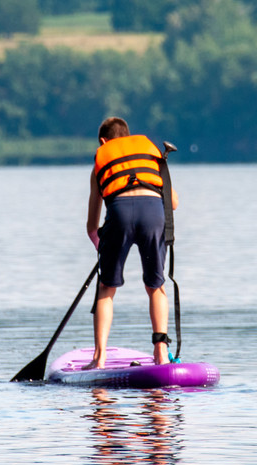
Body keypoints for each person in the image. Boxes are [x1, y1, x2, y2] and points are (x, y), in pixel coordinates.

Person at [85, 117, 178, 369]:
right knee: (156, 286)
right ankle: (161, 353)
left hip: (120, 215)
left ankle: (99, 357)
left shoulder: (101, 161)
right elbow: (174, 203)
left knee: (106, 288)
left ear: (103, 142)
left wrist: (99, 243)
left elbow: (93, 223)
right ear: (127, 136)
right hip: (154, 214)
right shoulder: (151, 152)